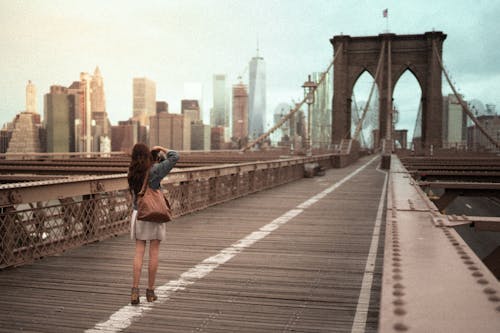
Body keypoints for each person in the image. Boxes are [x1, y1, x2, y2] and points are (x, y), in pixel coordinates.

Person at [127, 143, 179, 305]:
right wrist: (161, 148)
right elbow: (174, 157)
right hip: (154, 214)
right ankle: (150, 292)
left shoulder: (131, 172)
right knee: (154, 252)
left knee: (138, 252)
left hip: (139, 213)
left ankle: (134, 291)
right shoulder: (155, 171)